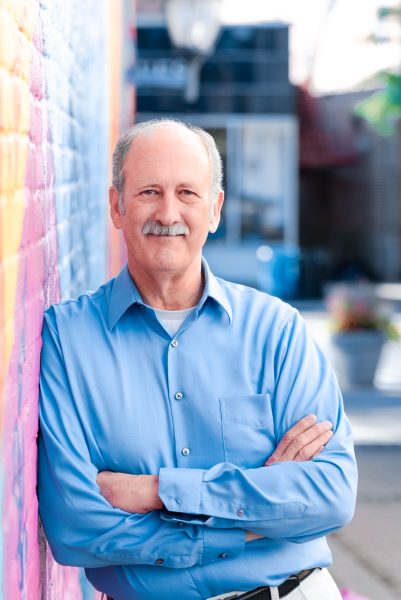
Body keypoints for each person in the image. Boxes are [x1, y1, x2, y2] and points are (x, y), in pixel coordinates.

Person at [38, 119, 357, 600]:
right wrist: (249, 521)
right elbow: (76, 526)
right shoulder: (68, 338)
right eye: (149, 191)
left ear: (215, 209)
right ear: (116, 206)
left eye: (188, 192)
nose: (168, 213)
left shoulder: (277, 331)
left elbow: (329, 494)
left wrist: (157, 491)